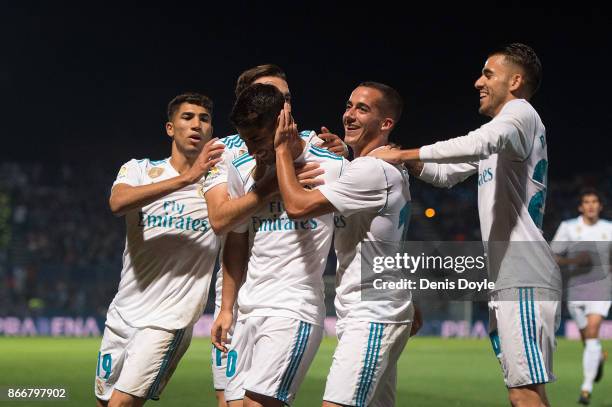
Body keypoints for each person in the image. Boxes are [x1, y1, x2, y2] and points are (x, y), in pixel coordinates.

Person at [371, 43, 561, 407]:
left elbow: (477, 141)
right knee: (525, 391)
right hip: (511, 274)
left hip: (522, 273)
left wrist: (403, 154)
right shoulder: (507, 134)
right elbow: (444, 174)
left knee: (524, 395)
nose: (478, 82)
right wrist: (405, 159)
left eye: (488, 74)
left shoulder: (519, 113)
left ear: (516, 81)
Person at [204, 64, 347, 407]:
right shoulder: (238, 165)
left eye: (256, 140)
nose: (251, 149)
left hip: (293, 307)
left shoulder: (332, 164)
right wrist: (226, 309)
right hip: (247, 308)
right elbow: (234, 235)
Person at [274, 81, 420, 407]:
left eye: (362, 109)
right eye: (349, 105)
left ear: (386, 124)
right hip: (375, 308)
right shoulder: (371, 167)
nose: (349, 115)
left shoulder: (373, 170)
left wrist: (283, 152)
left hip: (373, 313)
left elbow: (297, 206)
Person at [94, 93, 225, 407]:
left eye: (204, 119)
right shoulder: (138, 169)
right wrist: (184, 179)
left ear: (211, 131)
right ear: (170, 128)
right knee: (103, 400)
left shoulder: (218, 184)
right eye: (188, 117)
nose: (197, 124)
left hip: (170, 319)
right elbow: (117, 203)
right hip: (122, 314)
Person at [551, 188, 611, 405]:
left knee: (593, 332)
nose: (591, 205)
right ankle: (598, 358)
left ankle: (586, 388)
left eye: (595, 201)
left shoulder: (609, 229)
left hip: (602, 289)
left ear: (600, 206)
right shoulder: (569, 228)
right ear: (580, 207)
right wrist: (575, 262)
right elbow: (552, 255)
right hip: (576, 289)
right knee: (588, 340)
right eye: (586, 202)